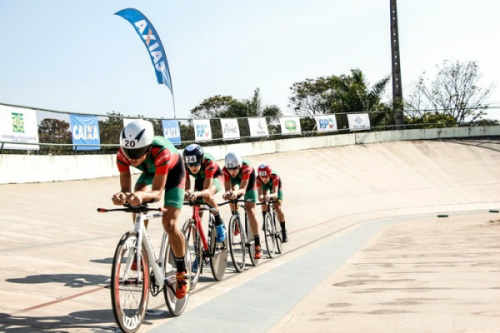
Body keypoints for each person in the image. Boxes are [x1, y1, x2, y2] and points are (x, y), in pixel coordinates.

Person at [111, 119, 189, 299]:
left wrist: (139, 196)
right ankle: (139, 249)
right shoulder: (122, 155)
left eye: (137, 152)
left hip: (173, 175)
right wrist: (122, 195)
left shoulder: (161, 151)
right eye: (128, 151)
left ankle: (181, 271)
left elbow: (157, 193)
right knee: (134, 199)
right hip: (151, 172)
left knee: (169, 223)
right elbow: (125, 189)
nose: (132, 157)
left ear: (147, 147)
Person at [182, 143, 226, 243]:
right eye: (190, 165)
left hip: (215, 177)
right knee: (196, 214)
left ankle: (219, 223)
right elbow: (187, 187)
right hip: (200, 179)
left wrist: (196, 194)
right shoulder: (184, 164)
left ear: (201, 160)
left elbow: (206, 190)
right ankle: (198, 249)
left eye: (196, 164)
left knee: (207, 197)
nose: (192, 167)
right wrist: (187, 193)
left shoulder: (208, 162)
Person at [222, 151, 262, 259]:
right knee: (231, 196)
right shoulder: (225, 170)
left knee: (250, 211)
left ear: (239, 166)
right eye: (229, 169)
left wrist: (236, 192)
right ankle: (236, 221)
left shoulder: (246, 167)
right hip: (235, 182)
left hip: (248, 183)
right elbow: (227, 188)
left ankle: (257, 243)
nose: (232, 171)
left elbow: (243, 189)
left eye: (234, 168)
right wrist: (228, 193)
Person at [256, 164, 288, 242]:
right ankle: (265, 220)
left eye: (266, 176)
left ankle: (284, 231)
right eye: (262, 177)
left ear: (269, 174)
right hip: (266, 187)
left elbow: (275, 194)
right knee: (264, 200)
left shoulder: (274, 176)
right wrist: (261, 197)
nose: (264, 179)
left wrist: (269, 195)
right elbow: (259, 194)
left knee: (278, 208)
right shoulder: (258, 179)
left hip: (275, 186)